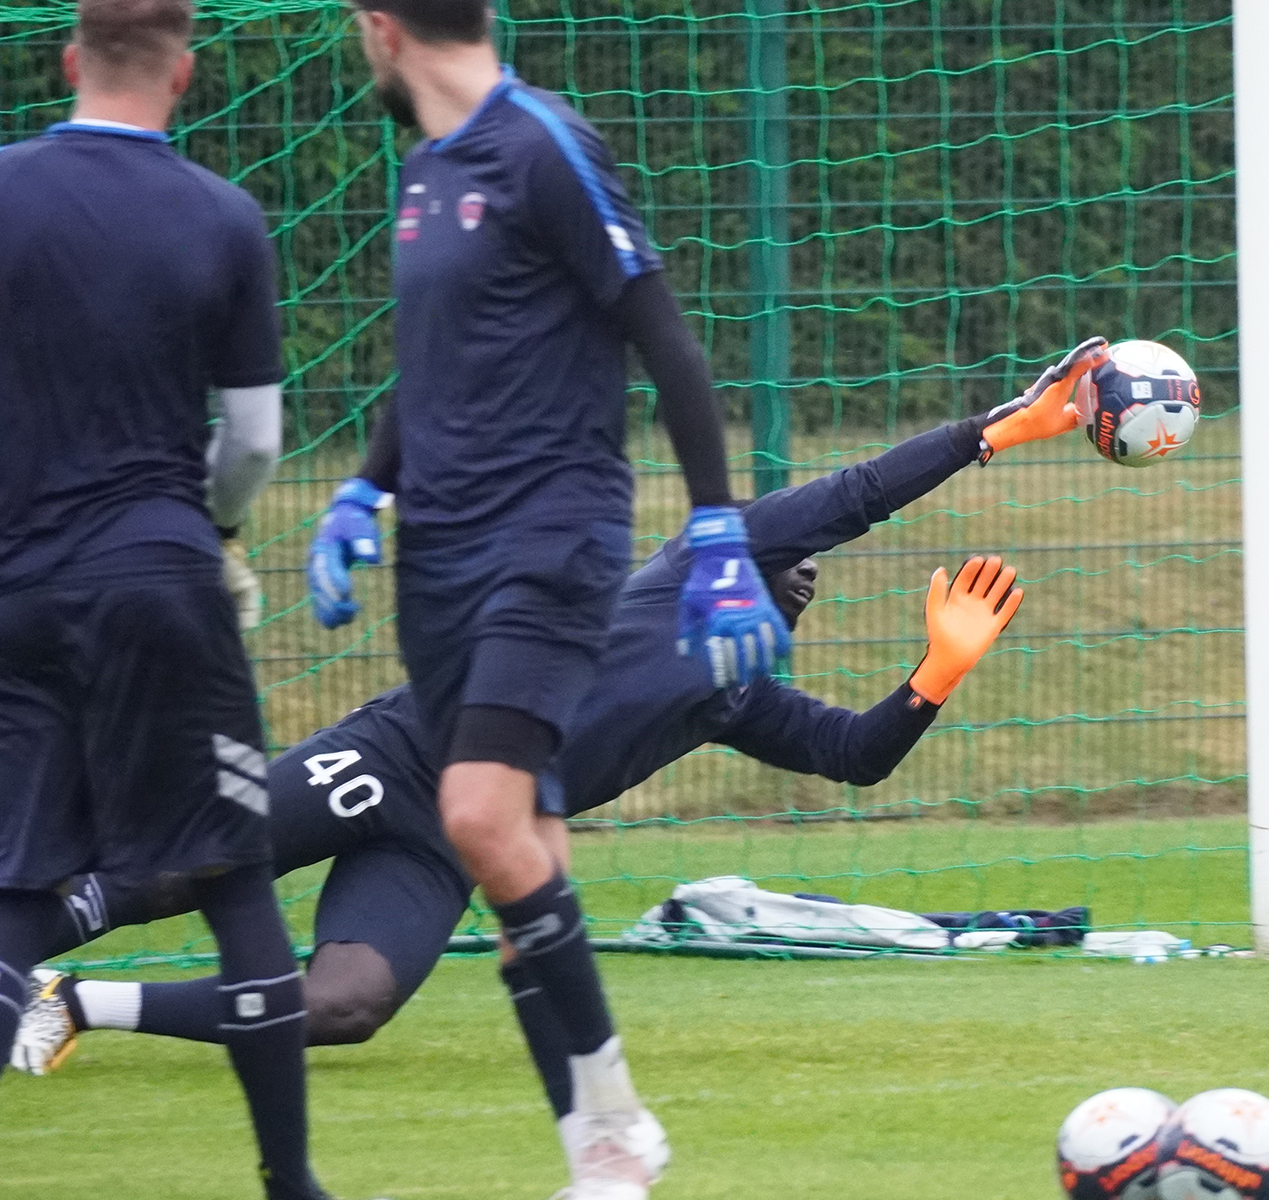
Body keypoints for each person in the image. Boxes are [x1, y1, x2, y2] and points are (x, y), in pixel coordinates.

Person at [12, 340, 1107, 1144]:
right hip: (404, 754)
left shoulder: (734, 700)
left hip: (450, 845)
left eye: (804, 588)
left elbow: (855, 754)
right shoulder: (694, 563)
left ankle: (74, 1008)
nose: (801, 576)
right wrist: (996, 433)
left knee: (350, 1006)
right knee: (179, 872)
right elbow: (857, 496)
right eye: (788, 564)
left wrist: (936, 672)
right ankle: (16, 950)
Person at [300, 3, 791, 1195]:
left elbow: (663, 337)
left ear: (380, 27)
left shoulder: (543, 142)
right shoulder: (424, 168)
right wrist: (363, 493)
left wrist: (718, 523)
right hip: (440, 561)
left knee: (474, 816)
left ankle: (615, 1134)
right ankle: (604, 1153)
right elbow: (435, 363)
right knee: (529, 857)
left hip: (550, 543)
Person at [0, 2, 330, 1198]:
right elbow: (250, 441)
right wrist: (221, 529)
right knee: (233, 873)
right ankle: (290, 1182)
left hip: (20, 591)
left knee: (18, 885)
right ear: (186, 73)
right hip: (162, 588)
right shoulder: (221, 216)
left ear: (68, 57)